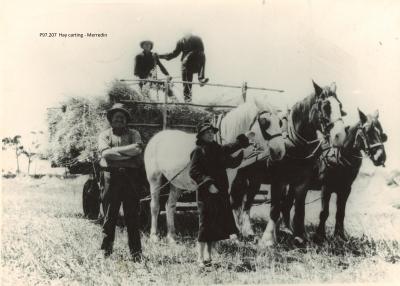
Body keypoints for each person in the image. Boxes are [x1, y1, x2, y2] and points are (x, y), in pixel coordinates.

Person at [189, 122, 250, 268]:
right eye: (207, 132)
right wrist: (208, 183)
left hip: (220, 193)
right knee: (204, 224)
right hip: (206, 193)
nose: (210, 134)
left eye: (211, 132)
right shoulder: (198, 151)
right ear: (201, 136)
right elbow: (193, 171)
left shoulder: (218, 149)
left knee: (214, 225)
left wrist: (242, 144)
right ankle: (199, 257)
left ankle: (209, 257)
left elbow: (230, 151)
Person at [98, 103, 144, 261]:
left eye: (122, 117)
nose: (119, 119)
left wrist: (115, 153)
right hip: (111, 178)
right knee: (110, 216)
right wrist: (127, 155)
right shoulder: (105, 135)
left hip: (131, 179)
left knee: (132, 217)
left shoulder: (134, 133)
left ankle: (136, 254)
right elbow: (106, 154)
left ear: (126, 120)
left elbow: (137, 150)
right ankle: (106, 251)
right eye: (116, 117)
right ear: (111, 119)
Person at [158, 33, 209, 102]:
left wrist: (190, 54)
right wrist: (159, 56)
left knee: (201, 54)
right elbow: (174, 54)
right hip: (186, 65)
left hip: (195, 63)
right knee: (187, 87)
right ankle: (187, 103)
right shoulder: (180, 41)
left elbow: (201, 52)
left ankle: (201, 78)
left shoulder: (197, 39)